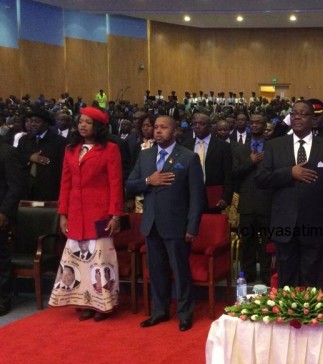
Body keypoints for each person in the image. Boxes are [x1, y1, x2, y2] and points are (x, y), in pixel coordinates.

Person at [255, 100, 323, 288]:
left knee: (312, 283)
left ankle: (311, 317)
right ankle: (288, 318)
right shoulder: (275, 145)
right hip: (284, 224)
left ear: (313, 119)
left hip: (315, 225)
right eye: (294, 113)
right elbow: (261, 179)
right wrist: (289, 173)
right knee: (286, 283)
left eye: (303, 113)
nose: (297, 116)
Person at [126, 116, 204, 332]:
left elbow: (197, 197)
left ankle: (185, 313)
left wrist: (192, 227)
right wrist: (147, 181)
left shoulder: (188, 158)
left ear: (174, 131)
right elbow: (130, 185)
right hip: (151, 224)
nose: (158, 131)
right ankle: (159, 311)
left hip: (177, 225)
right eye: (156, 127)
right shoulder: (145, 156)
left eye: (164, 127)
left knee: (180, 271)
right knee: (156, 270)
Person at [49, 107, 123, 322]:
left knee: (100, 260)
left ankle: (103, 304)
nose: (82, 125)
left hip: (100, 212)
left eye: (88, 122)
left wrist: (115, 215)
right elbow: (65, 183)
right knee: (79, 261)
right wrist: (63, 214)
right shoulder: (71, 149)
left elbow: (116, 183)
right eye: (80, 122)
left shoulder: (110, 149)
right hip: (75, 213)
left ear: (98, 127)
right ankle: (84, 302)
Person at [232, 114, 272, 285]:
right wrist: (251, 161)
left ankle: (266, 274)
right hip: (247, 202)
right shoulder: (240, 148)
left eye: (259, 122)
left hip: (266, 202)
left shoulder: (273, 147)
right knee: (247, 241)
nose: (255, 125)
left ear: (265, 126)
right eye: (253, 122)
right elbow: (234, 173)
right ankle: (247, 274)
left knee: (266, 241)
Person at [17, 109, 67, 201]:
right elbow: (16, 159)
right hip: (27, 189)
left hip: (50, 190)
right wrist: (30, 157)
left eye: (37, 121)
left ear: (46, 124)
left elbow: (63, 167)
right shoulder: (24, 140)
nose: (33, 124)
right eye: (31, 121)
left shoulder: (59, 142)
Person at [0, 139, 24, 316]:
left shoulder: (8, 152)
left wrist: (4, 212)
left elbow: (15, 187)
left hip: (1, 212)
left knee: (1, 261)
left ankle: (3, 300)